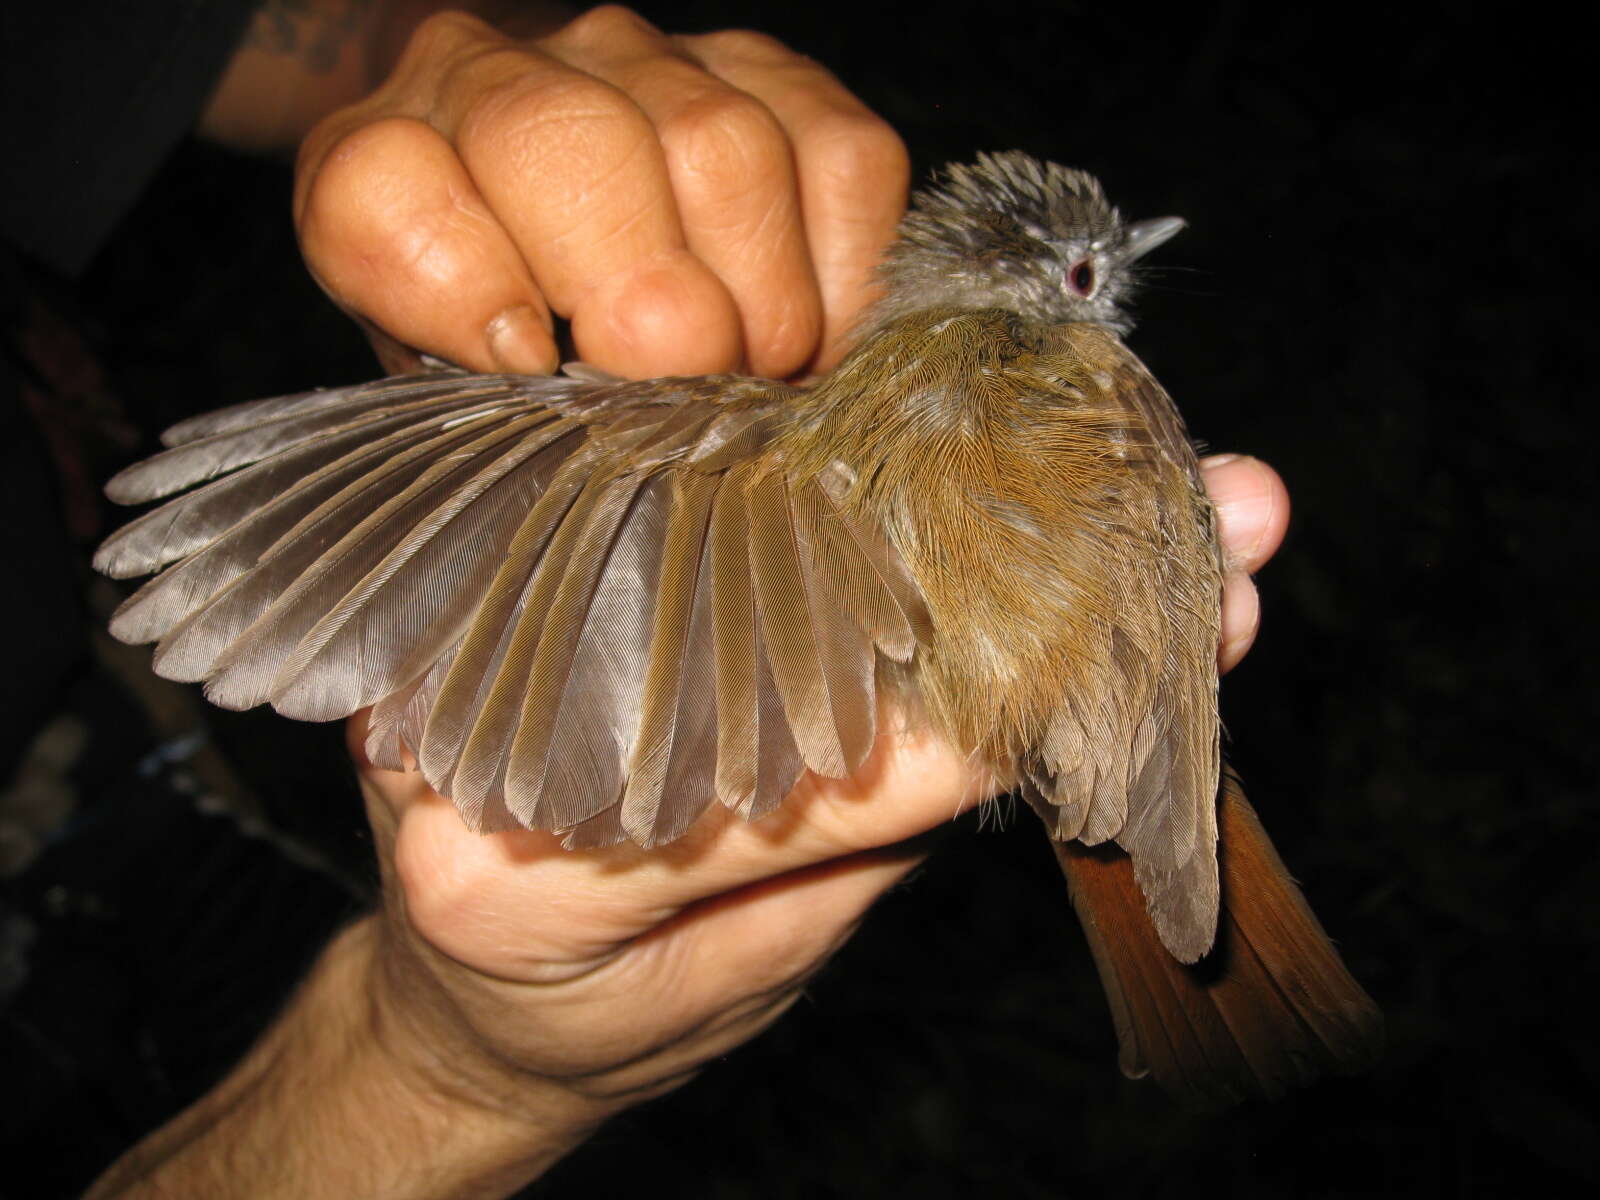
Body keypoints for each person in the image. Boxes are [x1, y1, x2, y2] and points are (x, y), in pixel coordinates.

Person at [6, 4, 1287, 1195]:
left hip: (151, 831)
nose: (1106, 298)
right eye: (1083, 278)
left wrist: (454, 1071)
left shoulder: (800, 429)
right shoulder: (1062, 394)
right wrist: (451, 1068)